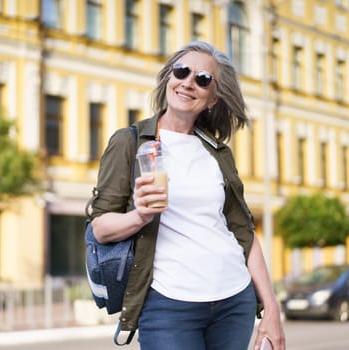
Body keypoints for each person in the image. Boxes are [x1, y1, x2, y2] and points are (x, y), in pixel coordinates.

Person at [89, 41, 285, 350]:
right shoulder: (131, 141)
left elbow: (244, 234)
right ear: (169, 78)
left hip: (234, 301)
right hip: (168, 305)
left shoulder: (218, 153)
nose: (188, 82)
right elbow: (100, 227)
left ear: (212, 98)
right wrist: (140, 216)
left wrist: (271, 309)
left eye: (203, 79)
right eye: (182, 72)